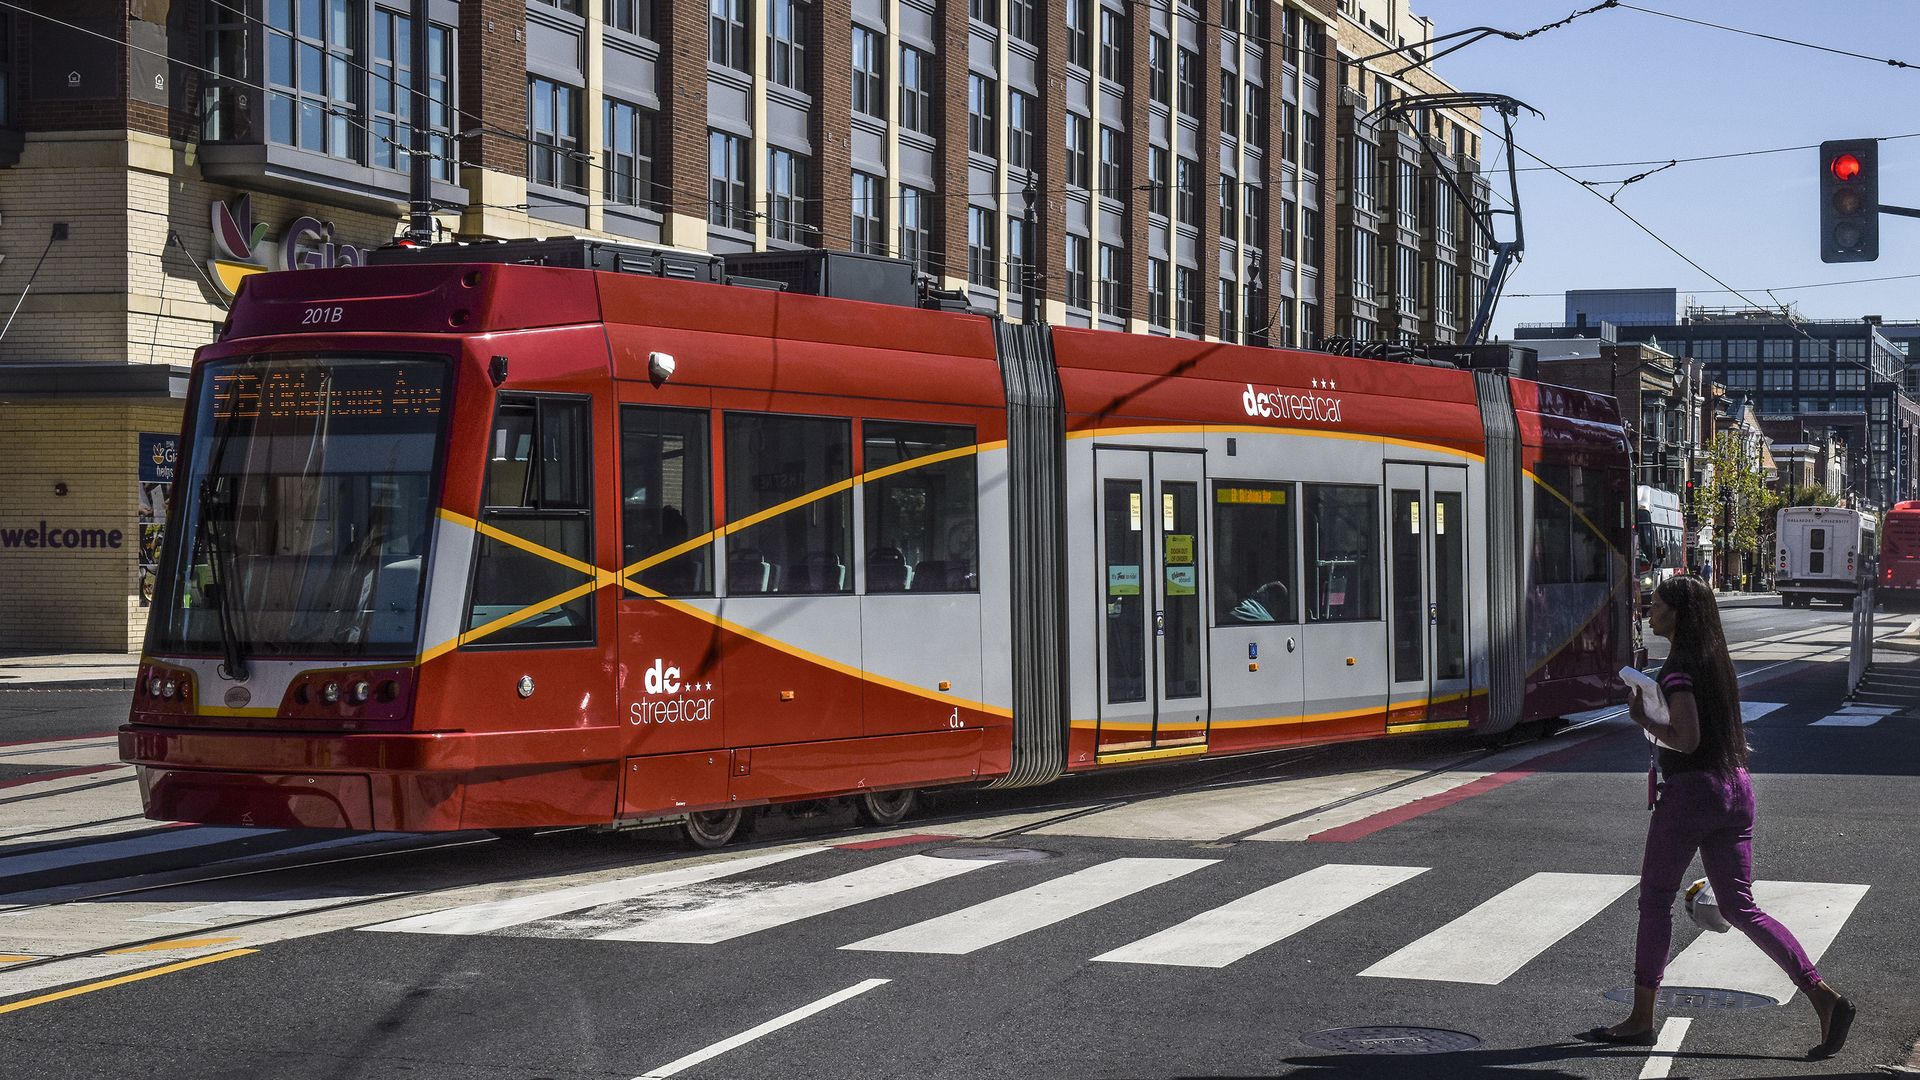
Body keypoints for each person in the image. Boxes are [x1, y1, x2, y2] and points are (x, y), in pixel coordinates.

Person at [1582, 575, 1855, 1057]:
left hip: (1692, 793)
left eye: (1658, 604)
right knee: (1740, 907)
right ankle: (1823, 997)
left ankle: (1641, 1018)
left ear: (1678, 615)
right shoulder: (1716, 664)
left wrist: (1643, 718)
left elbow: (1685, 738)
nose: (1650, 610)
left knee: (1655, 901)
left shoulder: (1678, 670)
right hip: (1736, 787)